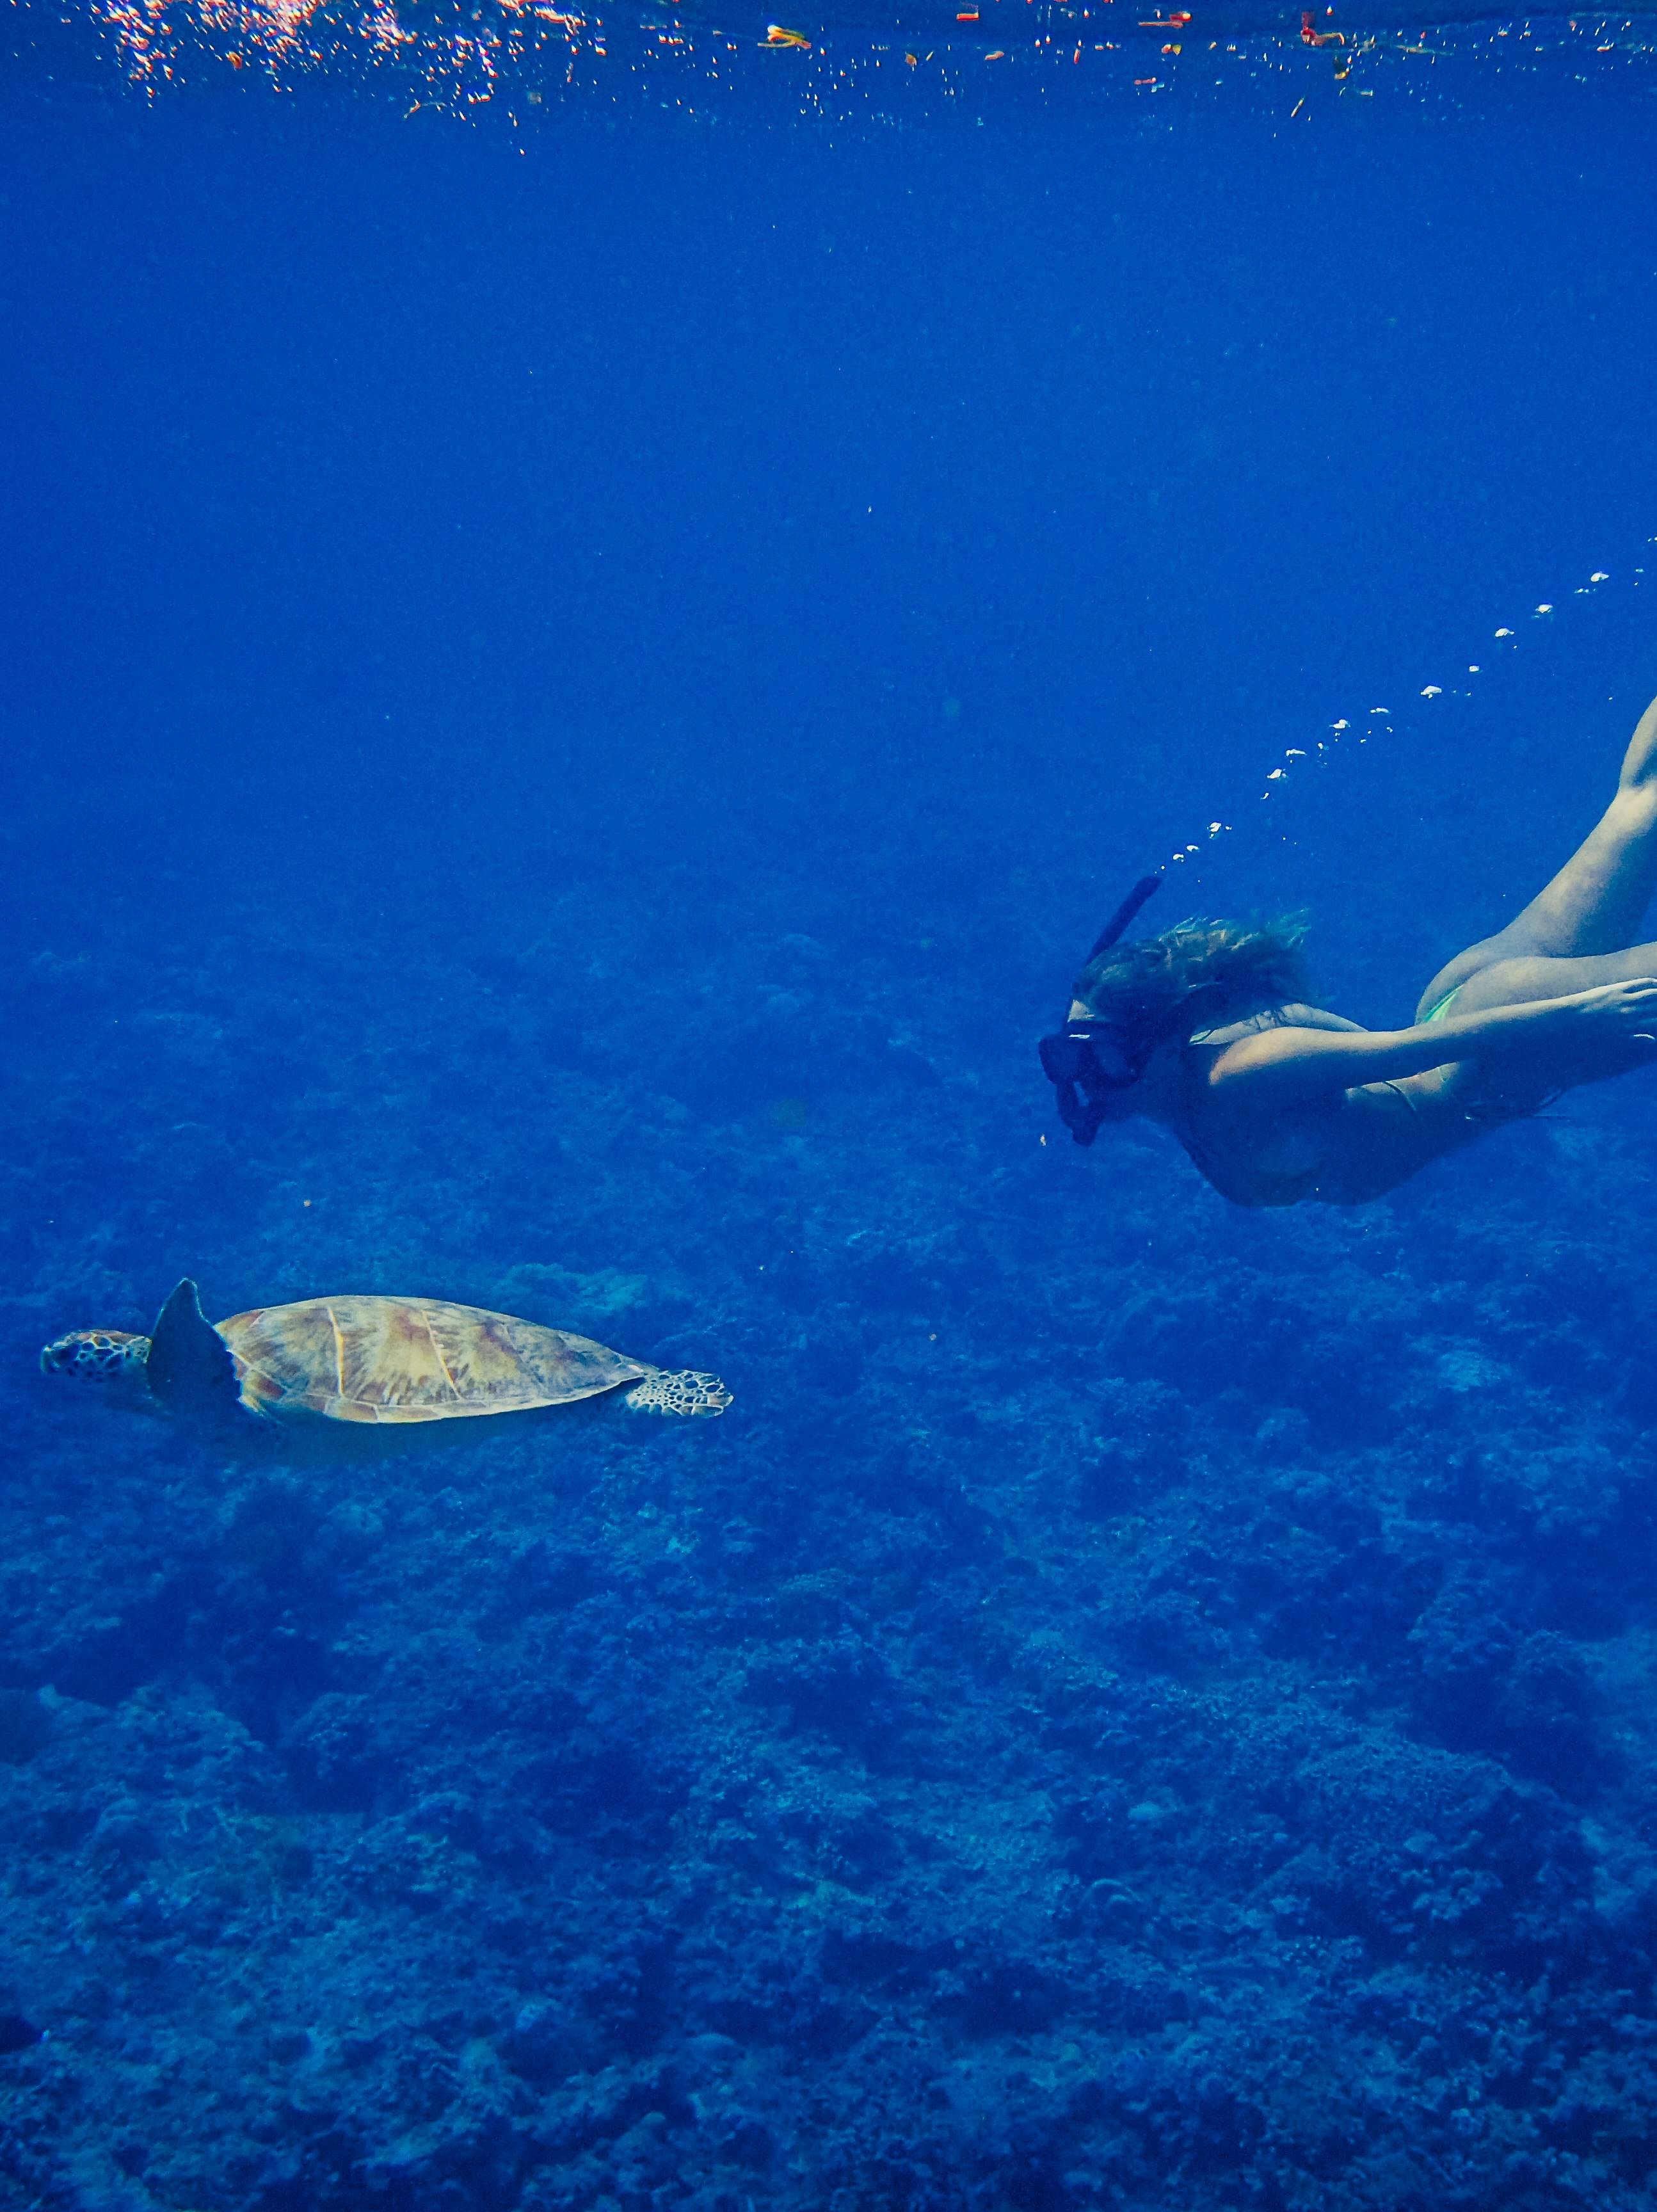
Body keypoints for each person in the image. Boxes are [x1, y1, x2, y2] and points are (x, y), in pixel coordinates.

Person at [1039, 694, 1657, 1207]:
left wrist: (1581, 1016)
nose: (1085, 1079)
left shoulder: (1241, 1074)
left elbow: (1419, 1051)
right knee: (1638, 801)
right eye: (1067, 1058)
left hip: (1499, 1052)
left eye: (1106, 1057)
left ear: (1167, 1048)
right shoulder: (1180, 1101)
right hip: (1463, 1003)